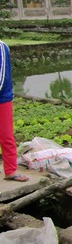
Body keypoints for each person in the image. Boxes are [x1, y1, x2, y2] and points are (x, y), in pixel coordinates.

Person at [0, 40, 29, 182]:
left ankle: (10, 170)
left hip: (2, 99)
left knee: (6, 135)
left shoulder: (1, 46)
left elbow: (2, 76)